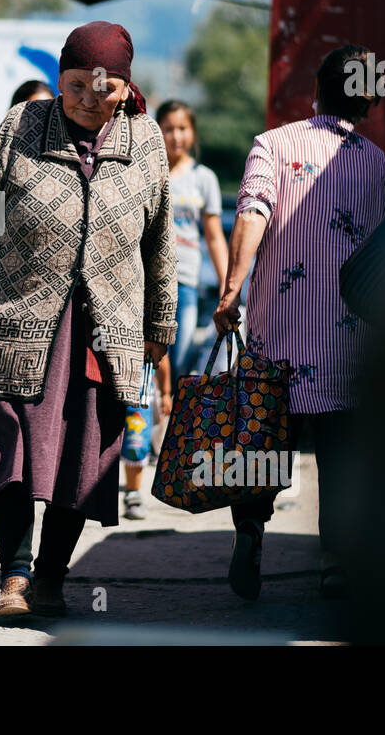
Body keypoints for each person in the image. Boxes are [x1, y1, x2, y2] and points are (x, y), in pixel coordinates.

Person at [0, 21, 177, 619]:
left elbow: (160, 242)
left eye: (106, 86)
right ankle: (14, 576)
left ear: (126, 87)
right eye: (76, 84)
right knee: (10, 447)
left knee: (84, 458)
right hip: (14, 317)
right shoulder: (22, 125)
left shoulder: (145, 140)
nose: (89, 98)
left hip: (105, 330)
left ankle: (51, 578)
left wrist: (159, 326)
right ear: (59, 79)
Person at [213, 43, 385, 601]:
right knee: (341, 456)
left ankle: (250, 531)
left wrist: (231, 292)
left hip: (276, 340)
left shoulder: (272, 145)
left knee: (265, 444)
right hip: (349, 341)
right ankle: (336, 561)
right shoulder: (379, 166)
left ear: (315, 90)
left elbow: (251, 215)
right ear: (367, 101)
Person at [121, 101, 228, 520]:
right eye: (167, 128)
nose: (175, 136)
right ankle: (137, 448)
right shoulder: (148, 170)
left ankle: (167, 449)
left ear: (193, 133)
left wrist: (227, 285)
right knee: (150, 366)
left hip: (185, 283)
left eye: (183, 128)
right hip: (145, 283)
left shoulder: (205, 180)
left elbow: (214, 236)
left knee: (177, 364)